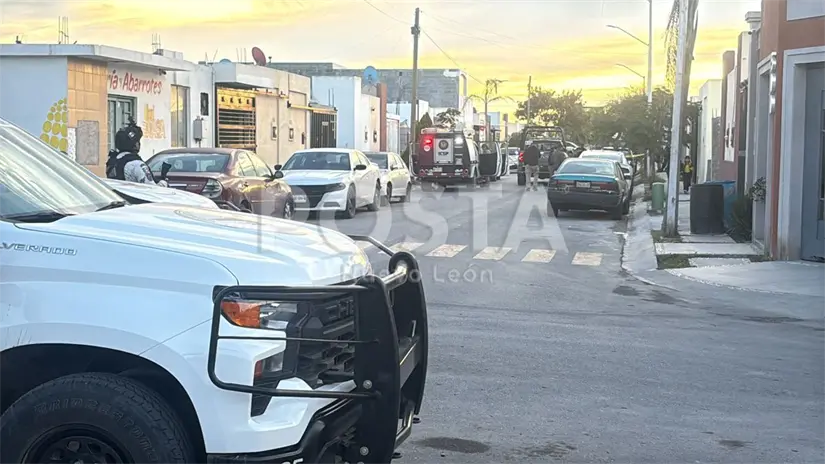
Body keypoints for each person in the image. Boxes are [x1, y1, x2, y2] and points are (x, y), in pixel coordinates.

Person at [105, 118, 170, 186]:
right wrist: (163, 183)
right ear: (134, 144)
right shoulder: (136, 164)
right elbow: (151, 188)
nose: (139, 144)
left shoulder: (113, 161)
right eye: (137, 141)